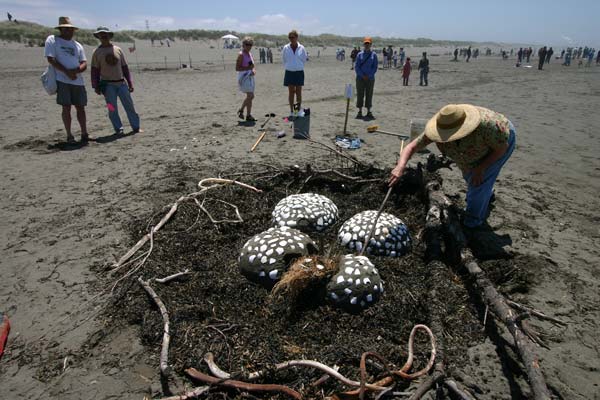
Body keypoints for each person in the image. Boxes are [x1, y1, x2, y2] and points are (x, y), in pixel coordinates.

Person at [389, 104, 516, 229]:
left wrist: (481, 168)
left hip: (499, 143)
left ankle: (473, 220)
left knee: (477, 182)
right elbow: (411, 147)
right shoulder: (440, 127)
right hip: (471, 154)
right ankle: (485, 193)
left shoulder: (487, 127)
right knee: (472, 178)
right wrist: (400, 167)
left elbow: (501, 149)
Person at [44, 16, 89, 143]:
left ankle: (84, 133)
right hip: (62, 80)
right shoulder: (53, 40)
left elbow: (84, 62)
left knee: (81, 107)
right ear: (61, 29)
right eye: (65, 29)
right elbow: (51, 59)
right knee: (66, 107)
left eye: (70, 29)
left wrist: (76, 71)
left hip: (78, 80)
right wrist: (67, 72)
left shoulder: (77, 45)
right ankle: (69, 135)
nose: (68, 32)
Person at [91, 27, 141, 135]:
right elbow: (94, 70)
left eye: (105, 34)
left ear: (109, 36)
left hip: (121, 83)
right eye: (101, 34)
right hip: (107, 86)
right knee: (111, 108)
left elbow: (124, 67)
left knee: (130, 106)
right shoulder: (97, 52)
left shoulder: (117, 49)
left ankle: (136, 127)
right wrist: (95, 86)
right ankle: (118, 129)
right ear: (98, 37)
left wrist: (130, 82)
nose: (104, 36)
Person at [282, 30, 307, 117]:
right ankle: (292, 111)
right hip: (289, 72)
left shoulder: (302, 48)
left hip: (299, 72)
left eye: (293, 37)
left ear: (296, 37)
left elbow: (304, 59)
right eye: (290, 37)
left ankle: (297, 111)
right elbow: (284, 59)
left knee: (298, 92)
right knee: (291, 92)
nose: (291, 39)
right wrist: (290, 66)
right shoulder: (286, 47)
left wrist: (297, 66)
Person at [354, 37, 378, 120]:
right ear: (364, 44)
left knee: (369, 94)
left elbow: (375, 67)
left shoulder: (374, 55)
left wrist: (369, 75)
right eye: (365, 43)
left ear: (371, 44)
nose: (367, 45)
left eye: (368, 43)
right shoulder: (359, 54)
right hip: (360, 78)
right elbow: (356, 67)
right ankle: (359, 111)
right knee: (360, 94)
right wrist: (362, 75)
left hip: (370, 79)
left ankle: (368, 111)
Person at [235, 37, 257, 122]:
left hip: (250, 77)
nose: (249, 46)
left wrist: (253, 71)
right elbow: (237, 68)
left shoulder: (250, 54)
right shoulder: (241, 54)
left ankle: (248, 115)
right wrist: (248, 68)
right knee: (251, 96)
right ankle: (241, 110)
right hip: (244, 77)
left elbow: (252, 66)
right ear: (243, 45)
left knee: (249, 97)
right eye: (247, 44)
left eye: (250, 45)